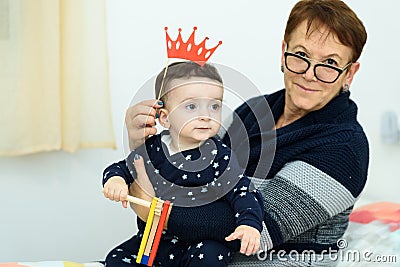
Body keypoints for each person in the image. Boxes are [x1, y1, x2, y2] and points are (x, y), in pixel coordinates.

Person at [121, 0, 370, 266]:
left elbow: (242, 228)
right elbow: (192, 177)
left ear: (349, 74)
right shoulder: (254, 111)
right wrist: (141, 144)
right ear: (283, 53)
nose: (310, 74)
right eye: (300, 55)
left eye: (329, 63)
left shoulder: (344, 149)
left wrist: (147, 200)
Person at [102, 61, 265, 266]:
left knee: (211, 256)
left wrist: (249, 224)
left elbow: (243, 191)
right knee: (116, 258)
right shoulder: (153, 149)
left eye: (214, 106)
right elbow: (121, 168)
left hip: (199, 244)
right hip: (155, 242)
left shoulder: (220, 155)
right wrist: (116, 180)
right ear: (165, 118)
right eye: (191, 106)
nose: (205, 116)